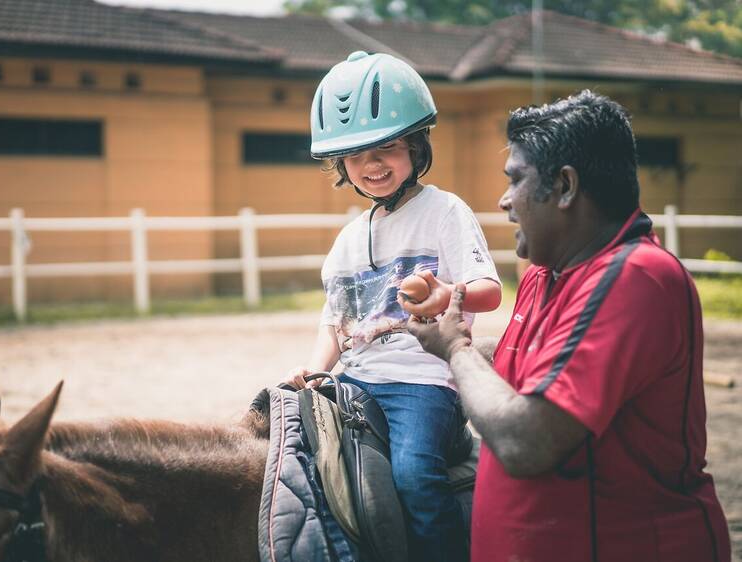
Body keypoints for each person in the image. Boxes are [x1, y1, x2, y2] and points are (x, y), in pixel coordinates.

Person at [408, 90, 731, 562]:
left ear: (565, 186)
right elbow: (521, 362)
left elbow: (527, 441)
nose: (503, 200)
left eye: (515, 180)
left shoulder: (634, 279)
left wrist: (455, 349)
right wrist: (429, 346)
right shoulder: (549, 271)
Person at [285, 51, 502, 561]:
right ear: (341, 166)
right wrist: (315, 372)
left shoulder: (446, 212)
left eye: (387, 148)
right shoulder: (347, 239)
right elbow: (334, 322)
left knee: (413, 474)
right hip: (357, 379)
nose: (373, 166)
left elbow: (488, 289)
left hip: (422, 383)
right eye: (357, 157)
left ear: (417, 145)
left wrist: (447, 296)